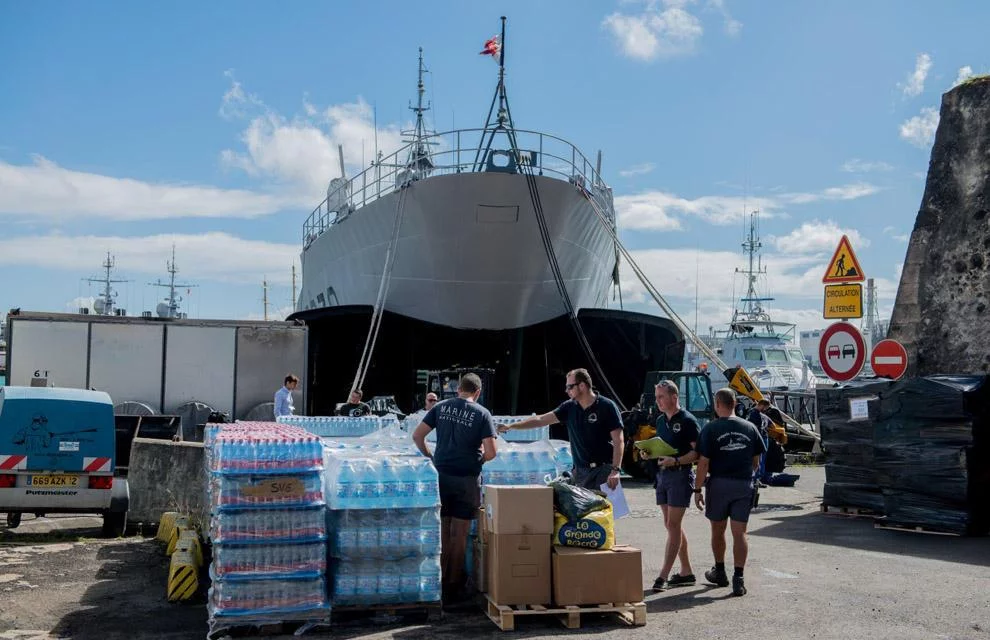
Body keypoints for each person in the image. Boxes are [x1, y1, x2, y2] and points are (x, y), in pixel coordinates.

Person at [411, 374, 497, 602]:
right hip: (466, 478)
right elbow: (491, 452)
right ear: (478, 392)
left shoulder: (440, 407)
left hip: (441, 475)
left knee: (442, 530)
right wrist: (478, 461)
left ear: (458, 389)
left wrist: (431, 456)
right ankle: (453, 586)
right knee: (459, 534)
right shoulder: (482, 413)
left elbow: (418, 435)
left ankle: (436, 582)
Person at [497, 368, 623, 491]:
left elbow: (619, 441)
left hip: (604, 470)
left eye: (570, 387)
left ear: (582, 386)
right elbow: (541, 420)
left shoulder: (607, 406)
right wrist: (511, 426)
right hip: (581, 472)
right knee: (586, 510)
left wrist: (615, 470)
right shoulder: (569, 407)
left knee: (609, 510)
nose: (567, 390)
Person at [694, 388, 768, 597]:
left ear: (717, 404)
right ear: (735, 403)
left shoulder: (710, 429)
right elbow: (756, 462)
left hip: (718, 485)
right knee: (740, 533)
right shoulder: (750, 427)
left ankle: (720, 570)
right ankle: (739, 577)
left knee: (717, 530)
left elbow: (703, 463)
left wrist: (697, 489)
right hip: (743, 485)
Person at [646, 380, 700, 592]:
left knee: (673, 525)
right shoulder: (660, 421)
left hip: (679, 474)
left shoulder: (687, 420)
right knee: (671, 525)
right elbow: (661, 445)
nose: (658, 401)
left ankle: (663, 575)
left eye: (661, 397)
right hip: (663, 475)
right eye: (657, 396)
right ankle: (686, 571)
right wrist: (648, 452)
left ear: (674, 397)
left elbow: (697, 453)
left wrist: (676, 461)